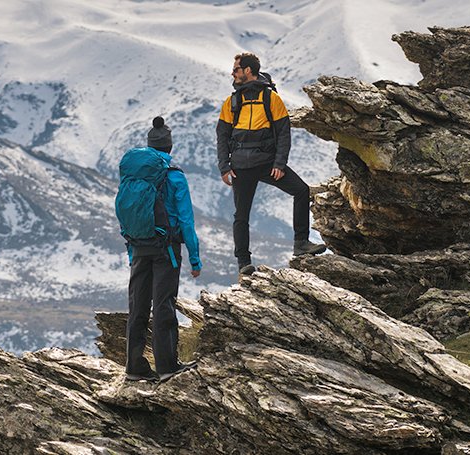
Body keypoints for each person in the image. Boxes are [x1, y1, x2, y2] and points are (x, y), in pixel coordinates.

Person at [216, 52, 326, 276]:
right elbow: (222, 135)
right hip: (240, 167)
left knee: (301, 190)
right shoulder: (232, 101)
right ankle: (244, 264)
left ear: (248, 71)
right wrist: (224, 166)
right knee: (241, 215)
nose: (233, 73)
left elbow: (284, 133)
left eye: (236, 69)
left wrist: (280, 163)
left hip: (267, 163)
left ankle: (301, 244)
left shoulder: (270, 97)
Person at [116, 116, 200, 381]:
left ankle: (134, 367)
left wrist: (132, 249)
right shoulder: (174, 177)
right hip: (167, 250)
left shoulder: (135, 172)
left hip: (139, 246)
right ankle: (167, 366)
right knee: (163, 304)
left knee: (138, 305)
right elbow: (186, 220)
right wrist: (195, 259)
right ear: (169, 147)